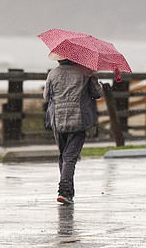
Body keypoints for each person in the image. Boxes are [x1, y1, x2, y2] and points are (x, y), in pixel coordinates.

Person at [43, 54, 103, 205]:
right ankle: (64, 191)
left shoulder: (53, 73)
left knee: (64, 155)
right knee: (70, 157)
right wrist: (93, 78)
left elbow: (46, 96)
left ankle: (68, 191)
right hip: (78, 118)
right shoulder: (85, 72)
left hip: (58, 119)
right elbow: (97, 94)